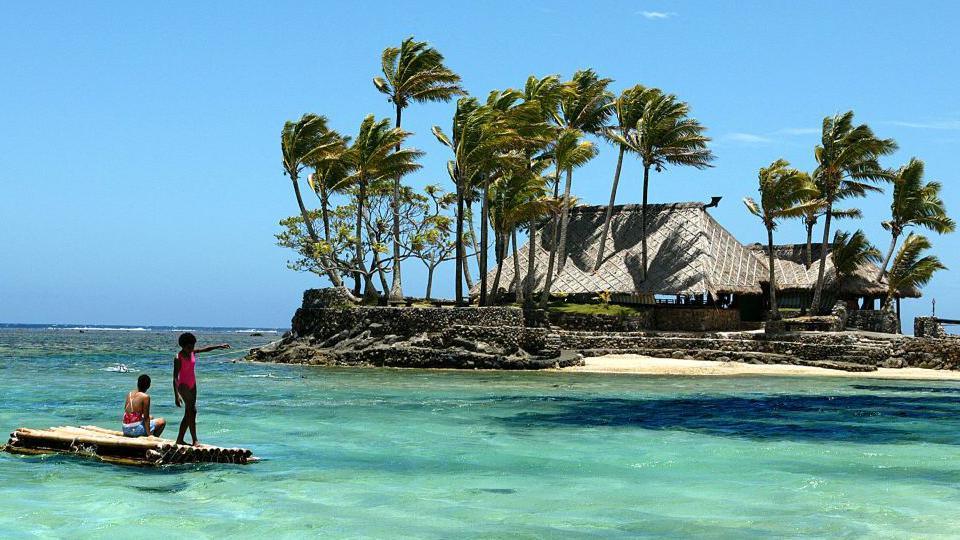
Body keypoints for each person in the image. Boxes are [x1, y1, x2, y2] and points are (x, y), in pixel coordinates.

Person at [173, 332, 229, 446]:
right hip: (183, 385)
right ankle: (195, 440)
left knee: (189, 412)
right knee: (192, 411)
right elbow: (174, 377)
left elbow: (206, 349)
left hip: (193, 384)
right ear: (182, 346)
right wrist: (176, 395)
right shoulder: (178, 357)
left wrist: (219, 346)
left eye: (192, 346)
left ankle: (180, 439)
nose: (191, 349)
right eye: (189, 347)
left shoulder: (192, 352)